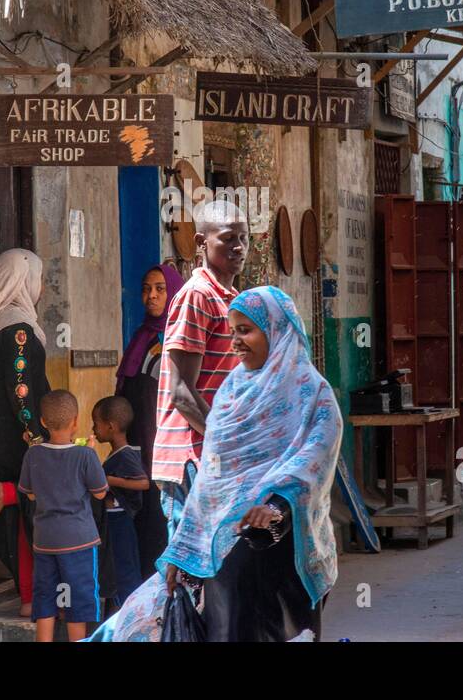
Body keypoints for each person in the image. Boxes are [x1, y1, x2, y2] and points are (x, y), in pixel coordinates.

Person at [89, 286, 342, 642]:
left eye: (247, 330)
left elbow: (316, 456)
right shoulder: (230, 393)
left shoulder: (311, 392)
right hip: (227, 547)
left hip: (285, 544)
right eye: (233, 331)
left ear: (277, 330)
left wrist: (276, 501)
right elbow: (212, 479)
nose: (236, 341)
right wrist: (182, 548)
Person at [153, 201, 247, 540]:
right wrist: (224, 440)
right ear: (200, 242)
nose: (238, 247)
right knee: (191, 570)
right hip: (191, 457)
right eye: (227, 239)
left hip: (211, 453)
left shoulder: (229, 297)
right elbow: (182, 392)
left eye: (243, 238)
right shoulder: (198, 295)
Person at [0, 248, 51, 618]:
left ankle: (29, 597)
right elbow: (22, 390)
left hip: (2, 441)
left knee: (21, 522)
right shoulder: (18, 329)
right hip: (21, 443)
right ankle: (30, 600)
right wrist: (39, 439)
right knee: (31, 523)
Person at [18, 390, 109, 642]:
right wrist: (92, 454)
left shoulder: (33, 454)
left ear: (43, 422)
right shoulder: (85, 455)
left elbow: (31, 495)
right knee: (75, 601)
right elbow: (100, 493)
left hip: (45, 542)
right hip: (78, 542)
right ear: (75, 421)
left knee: (46, 598)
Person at [115, 263, 182, 571]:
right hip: (136, 449)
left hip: (164, 454)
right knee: (141, 530)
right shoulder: (142, 338)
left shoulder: (178, 340)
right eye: (146, 289)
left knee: (159, 529)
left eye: (159, 289)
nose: (151, 296)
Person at [91, 396, 149, 604]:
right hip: (114, 521)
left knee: (124, 569)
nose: (93, 428)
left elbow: (143, 483)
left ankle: (130, 610)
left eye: (96, 423)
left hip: (119, 522)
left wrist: (109, 480)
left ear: (111, 426)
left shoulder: (125, 455)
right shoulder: (117, 454)